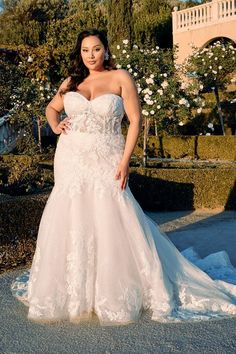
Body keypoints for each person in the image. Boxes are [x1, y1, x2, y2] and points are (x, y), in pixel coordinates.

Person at [11, 28, 236, 326]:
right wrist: (55, 126)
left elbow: (135, 120)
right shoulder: (71, 82)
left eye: (96, 48)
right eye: (85, 50)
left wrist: (125, 160)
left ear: (106, 49)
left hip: (108, 156)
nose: (91, 55)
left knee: (113, 214)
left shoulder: (121, 77)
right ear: (80, 53)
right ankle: (77, 291)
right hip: (71, 158)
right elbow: (51, 109)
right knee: (73, 215)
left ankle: (114, 289)